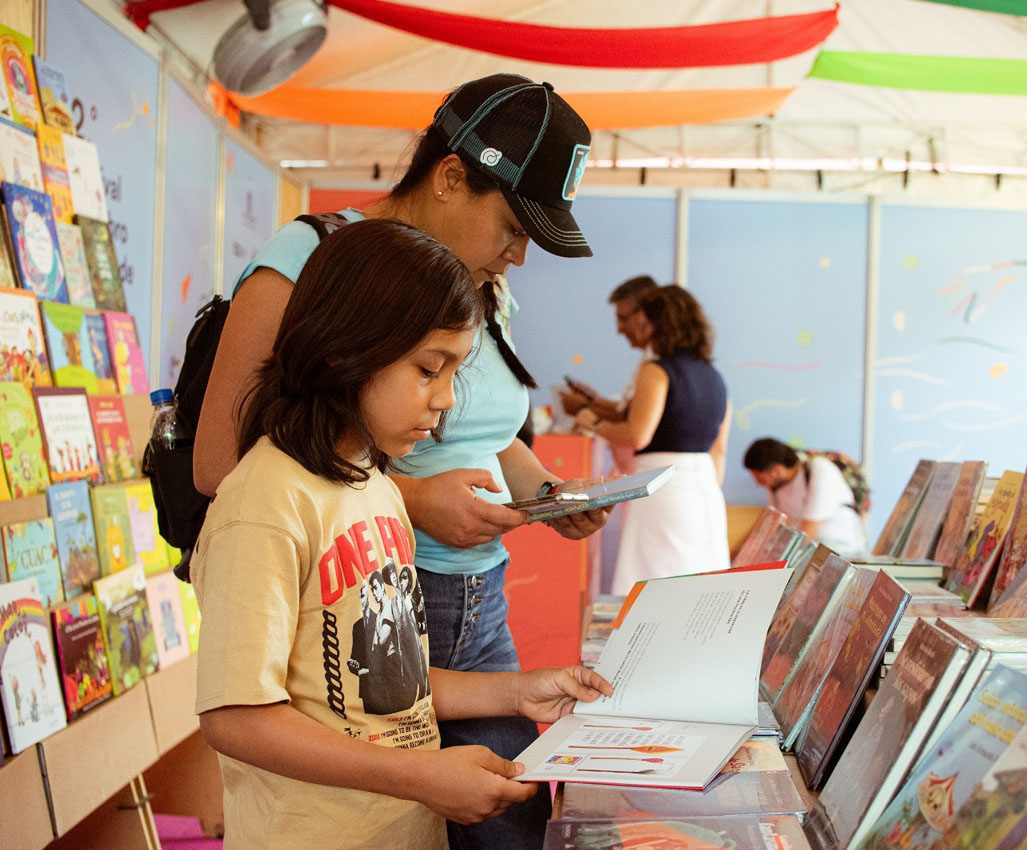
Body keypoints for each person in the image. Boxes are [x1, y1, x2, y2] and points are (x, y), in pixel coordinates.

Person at [194, 74, 611, 849]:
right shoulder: (284, 496)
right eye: (429, 370)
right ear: (451, 176)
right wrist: (415, 501)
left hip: (464, 612)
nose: (447, 401)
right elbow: (242, 714)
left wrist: (547, 497)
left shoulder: (377, 482)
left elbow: (394, 684)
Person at [574, 285, 731, 594]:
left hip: (663, 487)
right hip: (706, 490)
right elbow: (720, 449)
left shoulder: (657, 371)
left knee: (656, 586)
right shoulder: (714, 376)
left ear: (657, 323)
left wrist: (592, 421)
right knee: (700, 586)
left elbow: (637, 434)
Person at [559, 274, 659, 476]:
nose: (619, 329)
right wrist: (593, 401)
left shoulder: (658, 366)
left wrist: (590, 416)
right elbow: (628, 410)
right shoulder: (649, 360)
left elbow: (634, 430)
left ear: (647, 314)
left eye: (623, 319)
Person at [742, 438, 868, 558]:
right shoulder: (775, 486)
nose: (758, 484)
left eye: (760, 478)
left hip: (842, 550)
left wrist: (778, 561)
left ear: (777, 470)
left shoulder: (819, 469)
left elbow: (809, 528)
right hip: (808, 552)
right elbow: (776, 525)